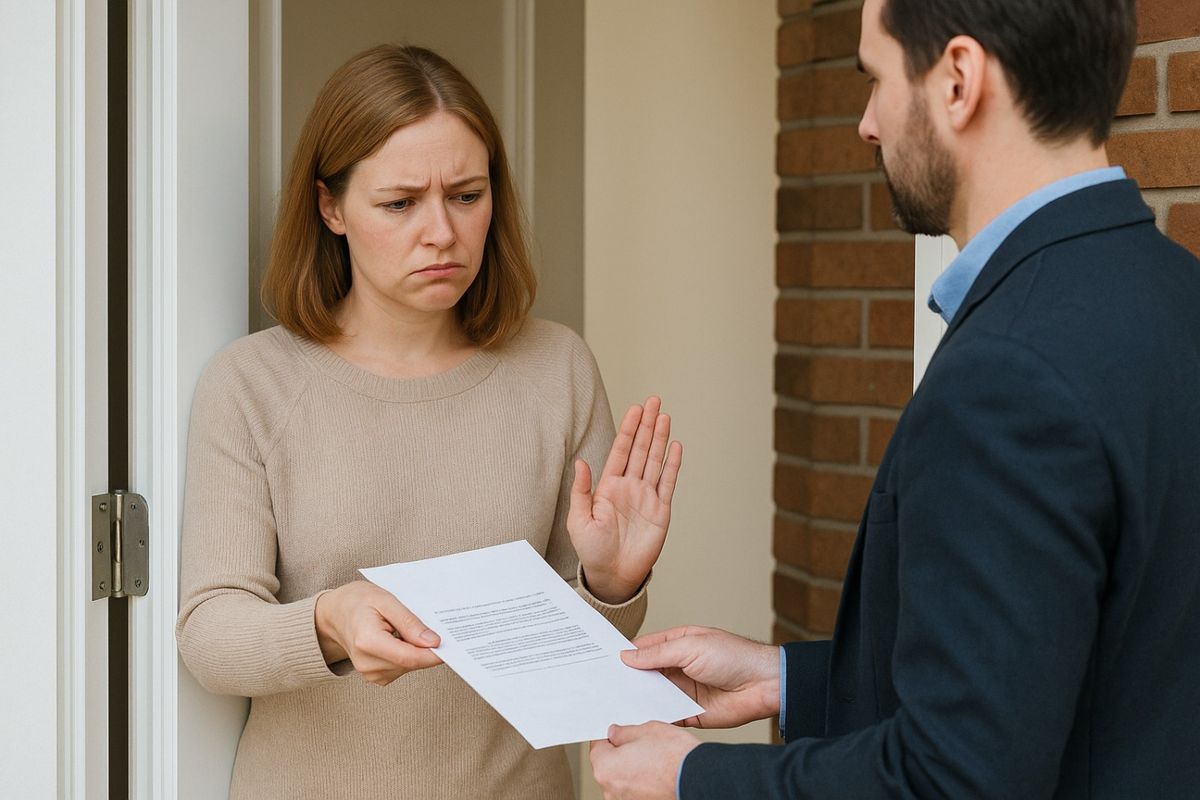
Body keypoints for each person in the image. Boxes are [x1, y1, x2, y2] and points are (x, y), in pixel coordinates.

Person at [589, 0, 1200, 797]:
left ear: (958, 80)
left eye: (875, 79)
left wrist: (695, 777)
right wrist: (790, 680)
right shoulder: (1176, 292)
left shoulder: (1005, 376)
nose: (867, 125)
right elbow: (1085, 674)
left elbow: (954, 780)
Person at [176, 44, 682, 800]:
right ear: (330, 206)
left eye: (467, 195)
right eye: (400, 202)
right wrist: (330, 621)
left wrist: (612, 583)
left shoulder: (557, 368)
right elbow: (209, 634)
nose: (442, 232)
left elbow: (580, 654)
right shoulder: (252, 384)